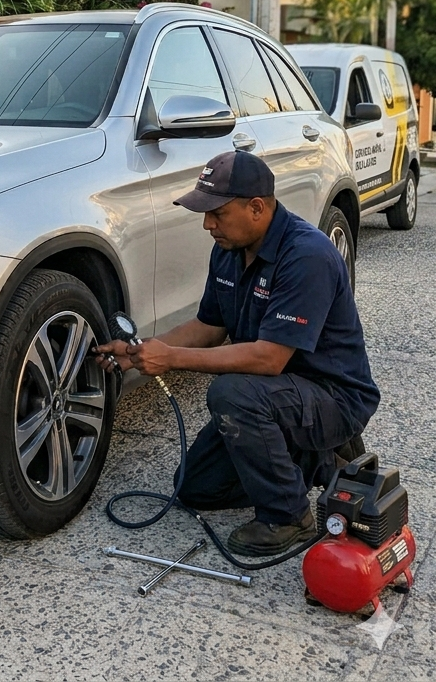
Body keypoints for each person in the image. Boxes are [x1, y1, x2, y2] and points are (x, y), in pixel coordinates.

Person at [95, 150, 380, 556]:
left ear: (257, 208)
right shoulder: (228, 249)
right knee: (195, 487)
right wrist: (141, 351)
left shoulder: (306, 255)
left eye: (217, 213)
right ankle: (319, 462)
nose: (208, 225)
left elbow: (269, 359)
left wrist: (172, 360)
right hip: (278, 393)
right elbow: (208, 328)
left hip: (332, 397)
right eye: (204, 213)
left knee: (231, 394)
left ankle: (289, 515)